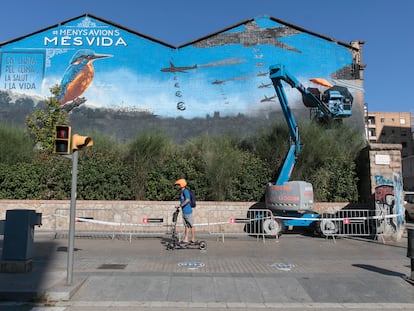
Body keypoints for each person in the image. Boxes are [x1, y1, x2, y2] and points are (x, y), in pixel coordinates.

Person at [174, 178, 196, 243]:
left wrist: (180, 205)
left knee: (191, 225)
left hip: (188, 211)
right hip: (184, 212)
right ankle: (186, 238)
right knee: (186, 225)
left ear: (181, 185)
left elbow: (187, 200)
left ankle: (193, 239)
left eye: (178, 185)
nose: (177, 186)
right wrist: (179, 206)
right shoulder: (182, 192)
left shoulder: (185, 191)